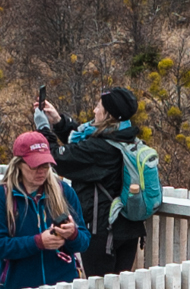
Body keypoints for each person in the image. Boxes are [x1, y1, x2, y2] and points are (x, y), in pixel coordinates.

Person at [51, 88, 155, 277]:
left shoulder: (100, 148)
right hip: (128, 229)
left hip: (103, 232)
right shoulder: (125, 138)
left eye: (99, 106)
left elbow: (60, 159)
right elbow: (80, 151)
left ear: (108, 114)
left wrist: (43, 131)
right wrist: (59, 122)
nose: (94, 110)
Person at [0, 130, 85, 289]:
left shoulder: (64, 191)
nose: (42, 171)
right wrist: (37, 242)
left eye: (45, 164)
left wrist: (72, 234)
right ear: (18, 165)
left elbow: (84, 242)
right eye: (35, 165)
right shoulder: (1, 197)